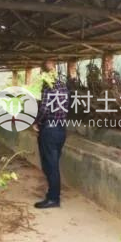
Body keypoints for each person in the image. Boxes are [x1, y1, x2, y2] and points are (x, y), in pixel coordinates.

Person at [32, 60, 69, 209]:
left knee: (50, 166)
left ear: (42, 73)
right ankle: (53, 193)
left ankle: (54, 198)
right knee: (53, 163)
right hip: (61, 129)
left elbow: (44, 109)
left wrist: (36, 122)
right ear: (55, 70)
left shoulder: (47, 87)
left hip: (49, 130)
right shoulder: (63, 86)